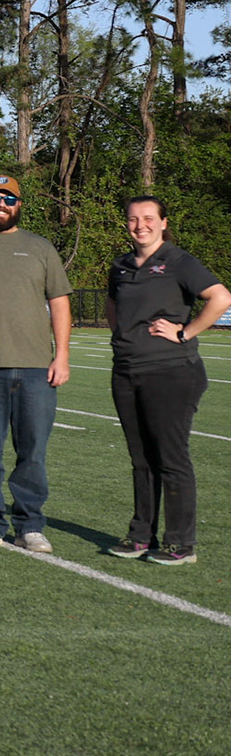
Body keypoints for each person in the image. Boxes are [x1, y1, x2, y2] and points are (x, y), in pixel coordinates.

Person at [103, 195, 231, 565]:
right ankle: (141, 534)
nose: (139, 225)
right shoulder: (121, 265)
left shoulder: (178, 261)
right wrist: (122, 334)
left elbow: (220, 297)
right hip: (126, 370)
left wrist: (184, 333)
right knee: (140, 458)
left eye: (147, 218)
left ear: (162, 222)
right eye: (132, 219)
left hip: (171, 371)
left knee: (171, 457)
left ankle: (180, 543)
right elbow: (113, 303)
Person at [0, 174, 72, 553]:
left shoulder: (40, 247)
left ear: (19, 205)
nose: (0, 204)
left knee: (32, 451)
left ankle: (30, 524)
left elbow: (59, 302)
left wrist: (62, 355)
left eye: (8, 199)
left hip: (35, 367)